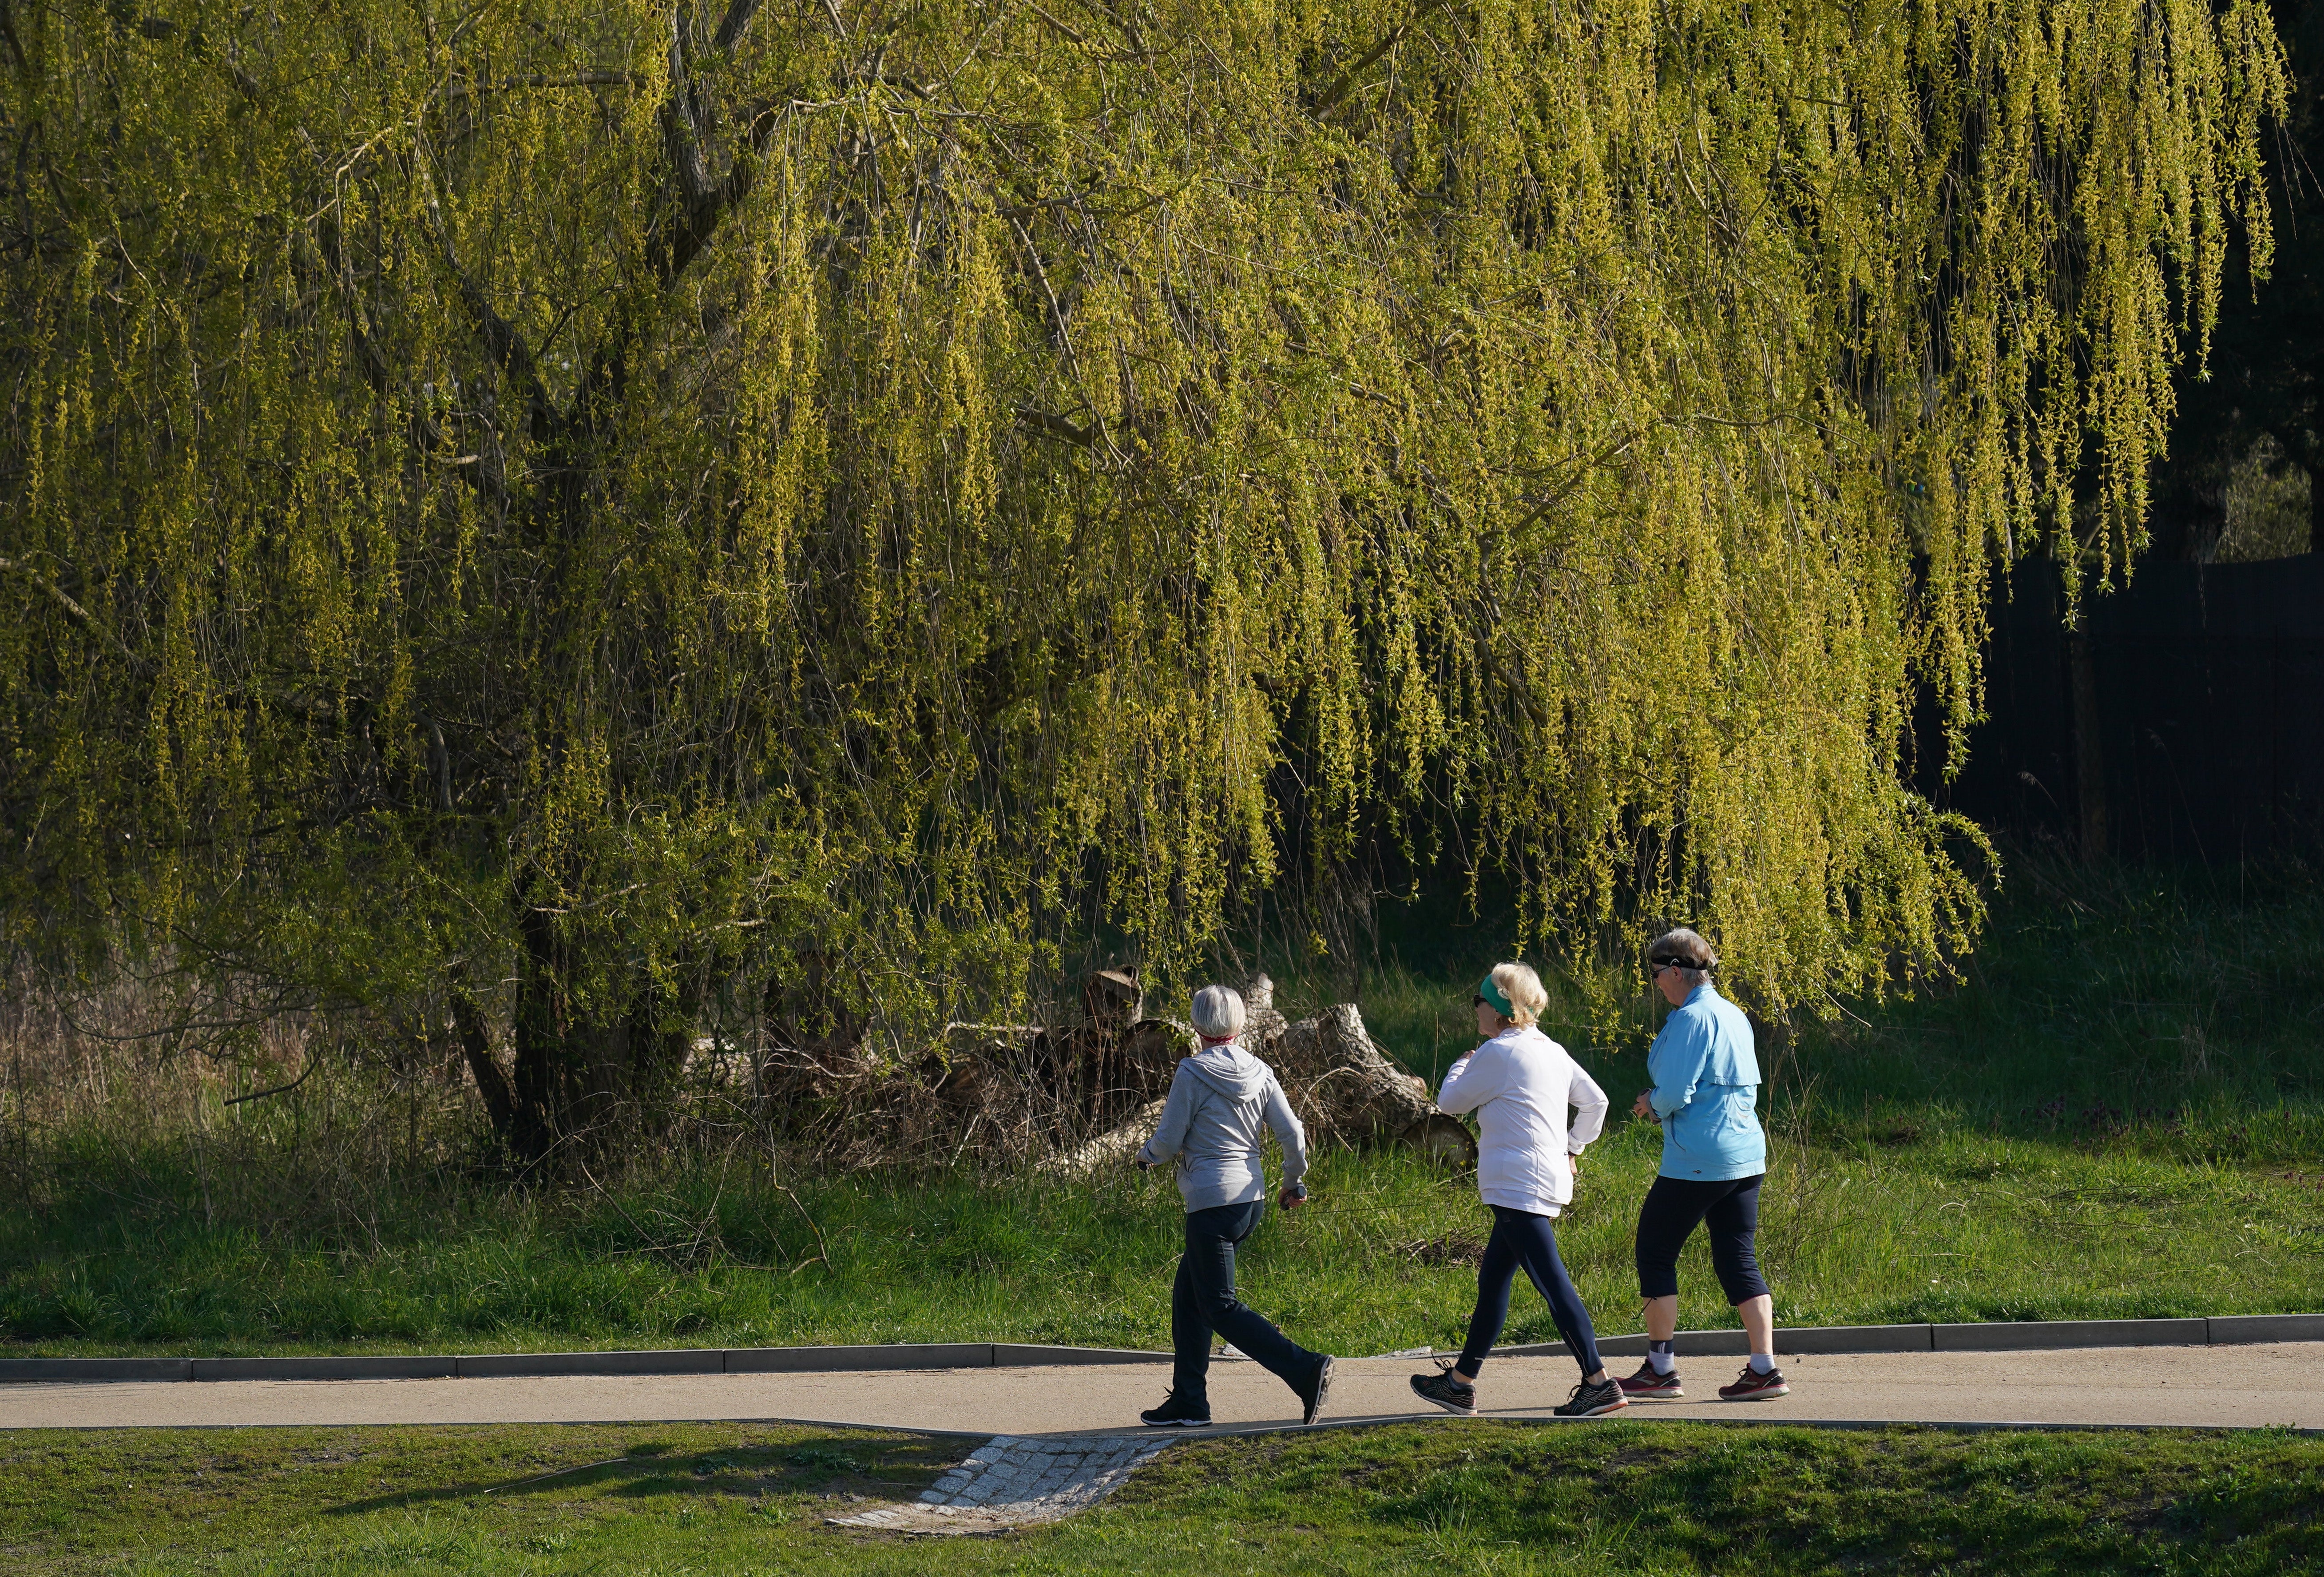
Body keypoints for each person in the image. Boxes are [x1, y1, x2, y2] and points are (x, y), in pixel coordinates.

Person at [1408, 962, 1627, 1420]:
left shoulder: (1496, 1052)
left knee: (1552, 1283)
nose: (1474, 1009)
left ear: (1501, 1008)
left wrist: (1460, 1062)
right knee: (1492, 1282)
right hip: (1538, 1180)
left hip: (1516, 1185)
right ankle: (1460, 1383)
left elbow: (1448, 1102)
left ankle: (1599, 1382)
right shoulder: (1550, 1049)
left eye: (1479, 1000)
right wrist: (1572, 1147)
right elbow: (1597, 1101)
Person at [1134, 984, 1334, 1429]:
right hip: (1251, 1201)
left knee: (1220, 1305)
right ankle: (1188, 1399)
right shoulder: (1260, 1070)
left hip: (1210, 1205)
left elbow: (1167, 1142)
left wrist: (1145, 1154)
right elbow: (1294, 1135)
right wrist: (1292, 1181)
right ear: (1240, 1025)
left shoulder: (1191, 1072)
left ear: (1195, 1025)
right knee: (1189, 1296)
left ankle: (1305, 1368)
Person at [1618, 928, 1789, 1402]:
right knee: (1737, 1257)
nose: (1655, 984)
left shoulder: (1691, 1018)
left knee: (1654, 1250)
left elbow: (1674, 1091)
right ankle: (1764, 1367)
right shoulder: (1733, 1014)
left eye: (1655, 974)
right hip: (1746, 1154)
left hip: (1698, 1159)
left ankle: (1659, 1367)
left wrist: (1650, 1102)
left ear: (1676, 970)